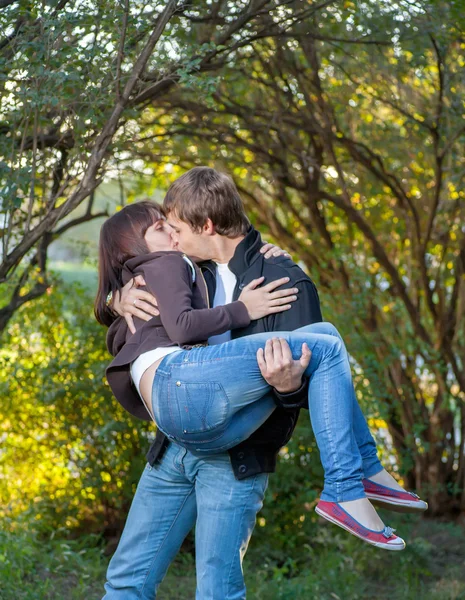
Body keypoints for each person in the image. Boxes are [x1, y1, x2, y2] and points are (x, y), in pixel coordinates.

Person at [98, 168, 426, 599]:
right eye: (167, 229)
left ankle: (358, 477)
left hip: (234, 456)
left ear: (207, 226)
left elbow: (318, 390)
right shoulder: (188, 268)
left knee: (218, 591)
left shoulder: (281, 278)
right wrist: (114, 300)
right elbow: (139, 327)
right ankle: (355, 479)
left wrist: (288, 387)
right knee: (127, 580)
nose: (172, 238)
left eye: (174, 228)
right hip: (174, 446)